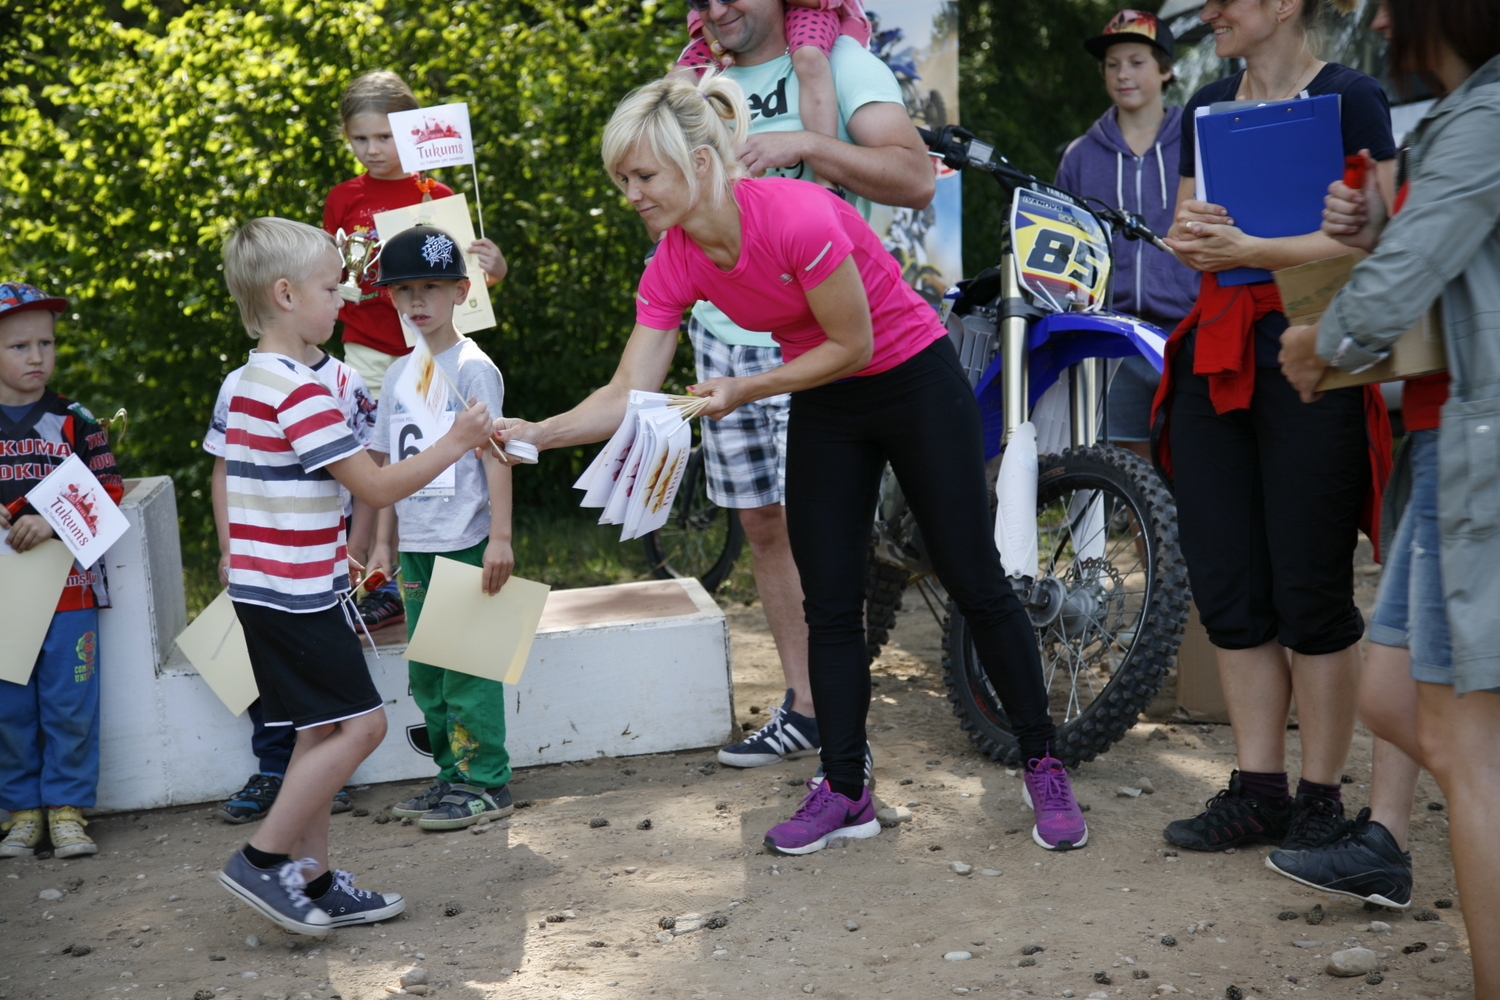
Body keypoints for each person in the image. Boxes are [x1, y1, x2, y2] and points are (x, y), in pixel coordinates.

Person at [497, 73, 1086, 855]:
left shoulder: (797, 215)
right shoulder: (672, 263)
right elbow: (625, 391)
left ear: (701, 163)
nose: (630, 194)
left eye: (644, 175)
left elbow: (856, 344)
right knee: (830, 604)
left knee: (973, 575)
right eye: (622, 179)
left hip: (909, 377)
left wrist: (746, 387)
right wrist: (537, 432)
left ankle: (1043, 761)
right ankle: (846, 789)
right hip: (828, 401)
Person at [1275, 0, 1500, 986]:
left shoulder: (1487, 118)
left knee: (1460, 739)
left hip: (1476, 442)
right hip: (1442, 439)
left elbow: (1408, 278)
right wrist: (1372, 222)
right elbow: (1434, 255)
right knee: (1393, 695)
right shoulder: (1462, 117)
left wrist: (1319, 343)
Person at [665, 0, 935, 776]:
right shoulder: (695, 84)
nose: (720, 10)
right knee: (765, 528)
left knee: (828, 531)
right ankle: (806, 708)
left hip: (829, 343)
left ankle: (848, 715)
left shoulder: (842, 63)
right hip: (724, 341)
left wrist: (809, 143)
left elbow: (916, 178)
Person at [1153, 0, 1397, 854]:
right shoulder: (1206, 107)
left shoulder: (1354, 99)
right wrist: (1195, 236)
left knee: (1311, 586)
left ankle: (1321, 797)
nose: (1211, 11)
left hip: (1311, 352)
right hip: (1216, 358)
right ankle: (1258, 789)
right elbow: (1186, 231)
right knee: (1228, 582)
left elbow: (1383, 240)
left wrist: (1254, 247)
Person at [214, 217, 494, 935]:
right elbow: (374, 486)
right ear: (285, 294)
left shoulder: (252, 380)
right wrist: (459, 440)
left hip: (270, 589)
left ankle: (311, 879)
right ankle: (264, 858)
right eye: (331, 288)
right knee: (364, 728)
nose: (344, 301)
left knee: (318, 732)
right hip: (295, 595)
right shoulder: (299, 392)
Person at [322, 69, 508, 631]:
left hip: (429, 355)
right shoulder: (343, 198)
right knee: (367, 461)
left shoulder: (439, 196)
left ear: (410, 132)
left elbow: (463, 283)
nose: (373, 150)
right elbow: (330, 273)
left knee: (425, 455)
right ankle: (359, 576)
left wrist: (494, 270)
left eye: (384, 136)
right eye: (360, 139)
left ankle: (404, 576)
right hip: (368, 350)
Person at [363, 226, 516, 832]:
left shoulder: (474, 368)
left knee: (467, 667)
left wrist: (499, 537)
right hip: (418, 545)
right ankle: (451, 776)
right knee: (428, 668)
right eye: (404, 290)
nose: (417, 300)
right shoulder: (399, 373)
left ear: (461, 291)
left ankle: (487, 782)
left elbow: (497, 455)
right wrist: (381, 541)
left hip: (466, 539)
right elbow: (386, 466)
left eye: (431, 287)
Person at [202, 338, 377, 824]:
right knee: (273, 667)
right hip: (261, 552)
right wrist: (229, 544)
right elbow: (223, 468)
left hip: (324, 547)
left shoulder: (346, 381)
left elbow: (370, 472)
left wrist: (356, 546)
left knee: (329, 663)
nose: (336, 300)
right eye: (327, 288)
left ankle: (324, 776)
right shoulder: (238, 383)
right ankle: (275, 768)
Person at [0, 282, 123, 860]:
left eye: (45, 343)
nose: (36, 357)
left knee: (71, 701)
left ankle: (68, 810)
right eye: (19, 346)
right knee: (9, 706)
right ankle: (22, 812)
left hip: (70, 591)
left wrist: (51, 521)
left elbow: (110, 488)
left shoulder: (74, 421)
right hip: (5, 601)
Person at [1054, 9, 1199, 459]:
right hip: (1115, 343)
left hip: (1189, 332)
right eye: (1112, 65)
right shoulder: (1079, 157)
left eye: (1136, 61)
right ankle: (1148, 535)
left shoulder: (1196, 142)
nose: (1123, 75)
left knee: (1196, 459)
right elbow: (1063, 247)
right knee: (1139, 478)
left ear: (1166, 69)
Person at [676, 0, 870, 190]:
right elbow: (711, 16)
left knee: (809, 56)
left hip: (813, 10)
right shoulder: (715, 10)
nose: (716, 11)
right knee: (674, 85)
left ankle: (827, 182)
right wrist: (716, 41)